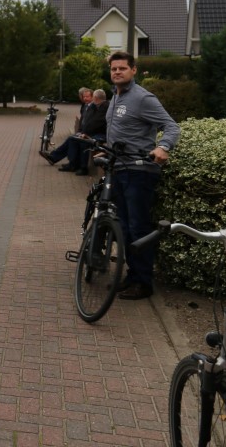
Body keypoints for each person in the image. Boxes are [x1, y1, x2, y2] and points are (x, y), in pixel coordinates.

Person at [106, 51, 180, 301]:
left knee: (138, 227)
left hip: (139, 171)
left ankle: (144, 282)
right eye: (114, 69)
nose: (117, 72)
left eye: (122, 68)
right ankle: (132, 276)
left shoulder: (143, 98)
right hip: (120, 169)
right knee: (125, 228)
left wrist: (163, 147)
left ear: (134, 70)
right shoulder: (115, 97)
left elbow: (171, 126)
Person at [44, 89, 109, 175]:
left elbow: (97, 123)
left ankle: (83, 168)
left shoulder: (105, 107)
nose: (90, 99)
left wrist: (85, 133)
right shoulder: (94, 106)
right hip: (91, 132)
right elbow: (87, 120)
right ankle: (71, 163)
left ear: (96, 98)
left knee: (83, 142)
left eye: (91, 97)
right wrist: (82, 132)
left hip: (101, 134)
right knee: (72, 139)